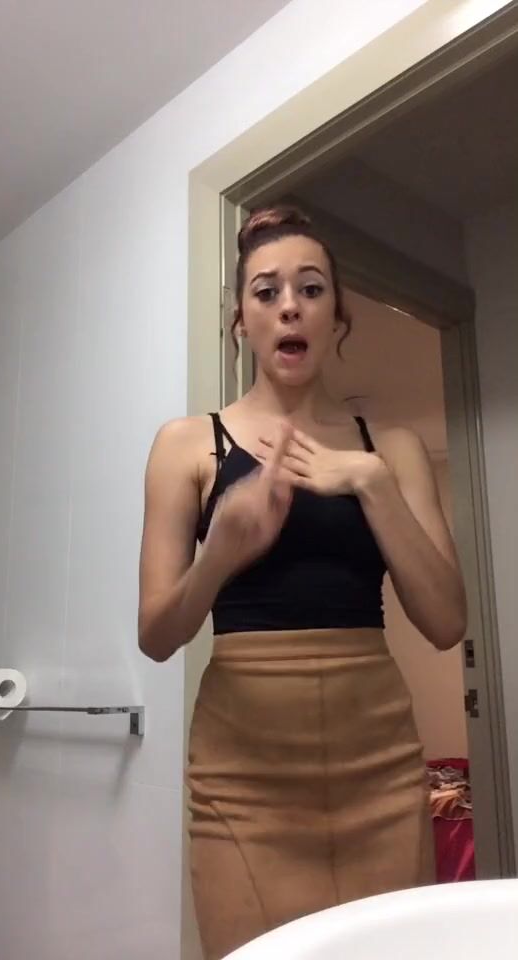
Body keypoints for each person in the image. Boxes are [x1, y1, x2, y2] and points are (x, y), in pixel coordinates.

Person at [138, 206, 467, 960]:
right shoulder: (187, 445)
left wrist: (372, 484)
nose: (290, 305)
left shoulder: (391, 449)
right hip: (243, 777)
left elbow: (447, 622)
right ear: (242, 321)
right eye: (267, 291)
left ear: (336, 315)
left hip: (379, 766)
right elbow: (156, 635)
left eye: (311, 289)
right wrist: (219, 553)